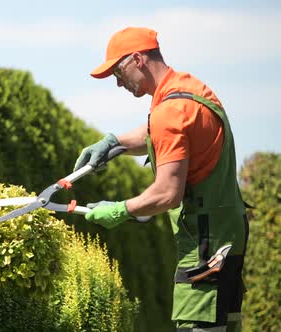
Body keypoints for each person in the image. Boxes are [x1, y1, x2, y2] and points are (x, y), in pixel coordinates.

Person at [74, 27, 249, 332]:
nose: (118, 83)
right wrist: (114, 143)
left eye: (118, 71)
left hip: (204, 247)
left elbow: (168, 193)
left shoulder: (168, 110)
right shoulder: (190, 89)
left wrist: (119, 210)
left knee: (197, 326)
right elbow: (162, 134)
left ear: (137, 59)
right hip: (228, 236)